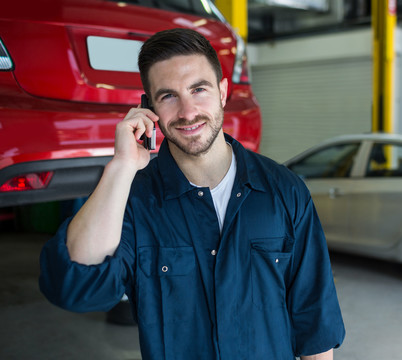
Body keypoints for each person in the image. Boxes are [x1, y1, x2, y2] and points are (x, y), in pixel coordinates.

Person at [39, 28, 345, 360]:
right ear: (149, 107)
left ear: (223, 92)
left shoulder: (285, 191)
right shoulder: (134, 201)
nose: (187, 112)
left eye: (198, 89)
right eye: (168, 96)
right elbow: (76, 289)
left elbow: (314, 321)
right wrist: (121, 166)